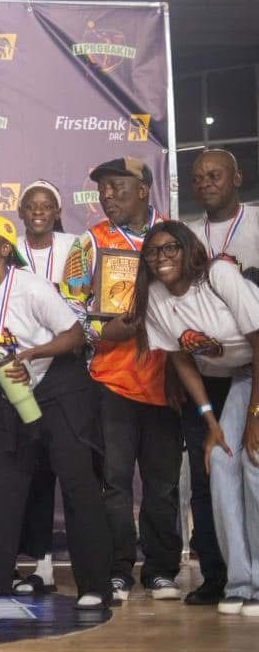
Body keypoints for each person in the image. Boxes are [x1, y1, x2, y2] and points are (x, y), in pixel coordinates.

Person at [0, 214, 112, 611]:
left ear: (5, 249)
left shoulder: (31, 287)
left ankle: (95, 586)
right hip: (13, 387)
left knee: (77, 484)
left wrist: (34, 353)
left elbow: (74, 335)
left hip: (59, 384)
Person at [61, 157, 182, 602]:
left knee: (162, 484)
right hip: (110, 381)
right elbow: (69, 305)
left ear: (144, 189)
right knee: (114, 481)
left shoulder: (174, 238)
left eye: (116, 187)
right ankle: (117, 569)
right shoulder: (91, 242)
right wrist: (100, 332)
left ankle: (162, 569)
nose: (107, 196)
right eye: (102, 190)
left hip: (166, 381)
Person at [130, 222, 259, 616]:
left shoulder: (218, 276)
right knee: (220, 458)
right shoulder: (155, 296)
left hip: (255, 368)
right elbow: (181, 359)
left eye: (170, 248)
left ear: (188, 250)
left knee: (254, 462)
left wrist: (254, 417)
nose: (161, 258)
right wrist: (211, 422)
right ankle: (240, 582)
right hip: (238, 374)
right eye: (153, 252)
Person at [181, 149, 259, 605]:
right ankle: (224, 576)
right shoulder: (186, 237)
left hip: (252, 365)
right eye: (198, 177)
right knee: (211, 471)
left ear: (237, 177)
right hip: (209, 371)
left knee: (252, 465)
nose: (205, 182)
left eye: (214, 175)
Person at [13, 179, 79, 594]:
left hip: (65, 367)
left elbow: (85, 299)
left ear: (57, 212)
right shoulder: (9, 249)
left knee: (71, 470)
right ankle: (40, 564)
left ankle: (89, 564)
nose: (38, 211)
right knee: (33, 471)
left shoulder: (75, 247)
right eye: (31, 205)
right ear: (20, 212)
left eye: (46, 205)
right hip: (20, 371)